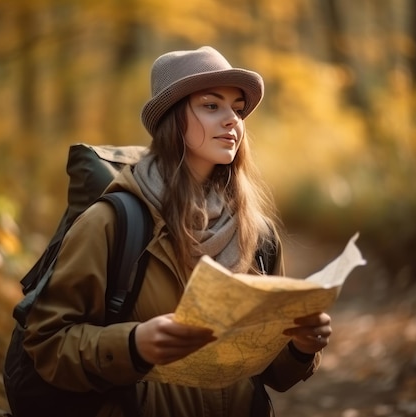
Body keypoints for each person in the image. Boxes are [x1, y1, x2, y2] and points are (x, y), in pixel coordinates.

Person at [22, 46, 332, 417]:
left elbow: (271, 374)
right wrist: (134, 345)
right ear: (172, 119)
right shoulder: (113, 223)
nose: (232, 119)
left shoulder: (258, 234)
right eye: (211, 105)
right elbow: (46, 344)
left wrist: (300, 345)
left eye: (237, 108)